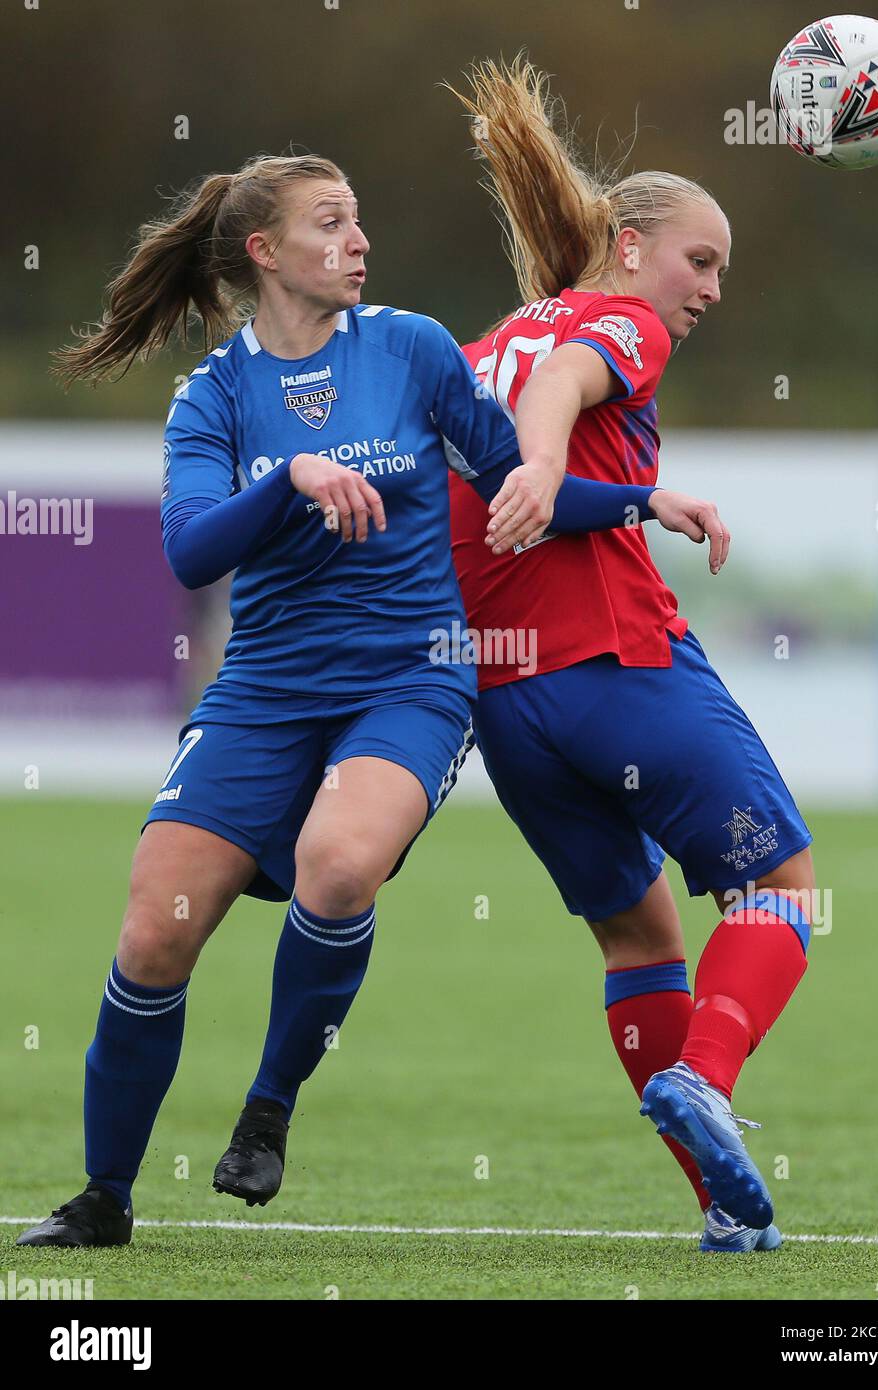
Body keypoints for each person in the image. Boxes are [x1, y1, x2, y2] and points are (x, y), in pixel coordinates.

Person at [17, 152, 713, 1249]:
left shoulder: (412, 347)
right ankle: (104, 1195)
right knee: (156, 932)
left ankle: (267, 1109)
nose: (359, 240)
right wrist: (283, 479)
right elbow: (194, 551)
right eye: (332, 223)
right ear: (265, 252)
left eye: (360, 219)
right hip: (263, 689)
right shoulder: (214, 396)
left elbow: (512, 479)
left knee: (338, 865)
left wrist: (640, 497)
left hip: (411, 677)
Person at [445, 58, 815, 1253]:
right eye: (698, 259)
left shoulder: (484, 340)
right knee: (784, 889)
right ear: (626, 242)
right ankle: (708, 1078)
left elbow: (483, 449)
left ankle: (723, 1212)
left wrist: (628, 494)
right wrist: (554, 469)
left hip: (507, 702)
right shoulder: (619, 320)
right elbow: (568, 384)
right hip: (618, 664)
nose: (706, 289)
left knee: (641, 940)